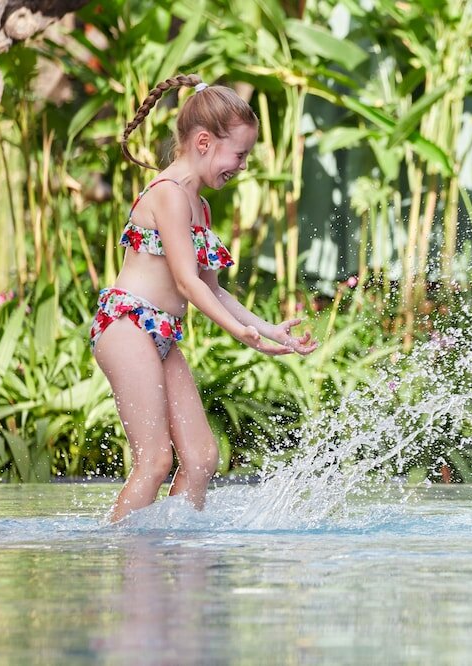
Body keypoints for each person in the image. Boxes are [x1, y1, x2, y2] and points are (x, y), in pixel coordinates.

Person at [91, 74, 317, 523]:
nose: (243, 165)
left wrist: (268, 329)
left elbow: (212, 287)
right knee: (155, 461)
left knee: (200, 459)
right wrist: (242, 334)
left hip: (159, 332)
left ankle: (178, 561)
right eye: (239, 153)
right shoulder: (170, 196)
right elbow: (187, 283)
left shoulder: (200, 206)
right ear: (202, 142)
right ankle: (115, 559)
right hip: (127, 327)